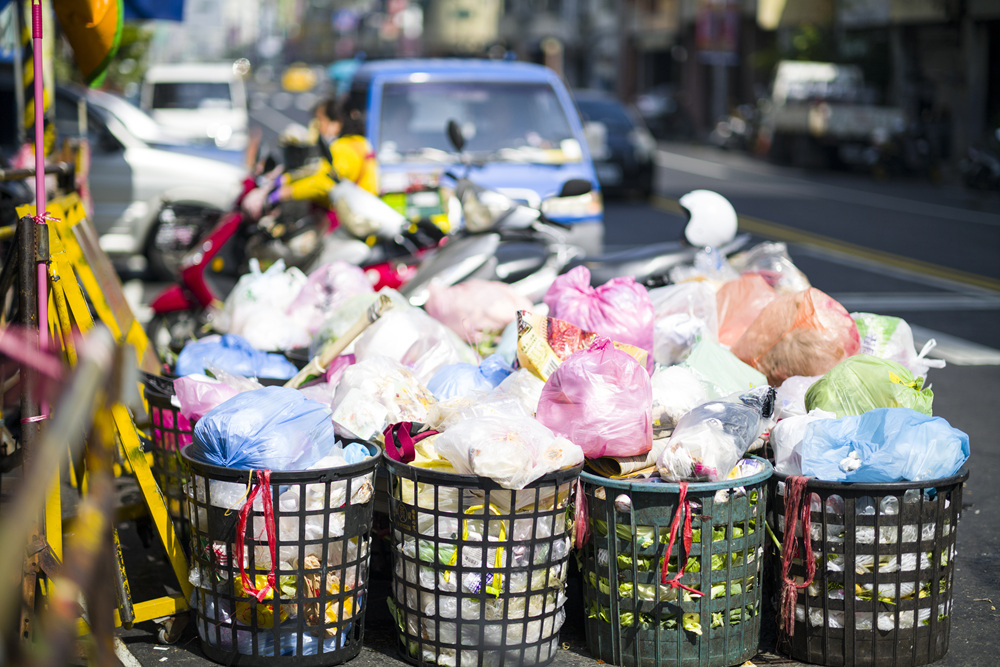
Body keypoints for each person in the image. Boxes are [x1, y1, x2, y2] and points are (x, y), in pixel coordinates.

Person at [243, 96, 378, 216]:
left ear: (336, 123)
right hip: (363, 216)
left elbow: (325, 182)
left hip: (349, 221)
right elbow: (317, 172)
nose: (317, 127)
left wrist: (284, 193)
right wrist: (285, 180)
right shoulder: (360, 143)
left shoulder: (344, 148)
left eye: (320, 121)